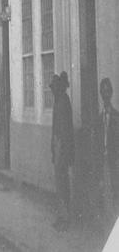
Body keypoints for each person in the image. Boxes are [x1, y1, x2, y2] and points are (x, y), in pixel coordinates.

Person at [51, 72, 74, 231]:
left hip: (62, 146)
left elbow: (66, 130)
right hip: (58, 144)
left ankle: (65, 218)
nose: (53, 90)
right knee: (59, 182)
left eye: (55, 87)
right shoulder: (58, 101)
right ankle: (62, 215)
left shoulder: (64, 102)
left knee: (62, 182)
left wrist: (64, 151)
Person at [95, 77, 119, 232]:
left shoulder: (116, 116)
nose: (105, 95)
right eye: (102, 92)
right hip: (102, 160)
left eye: (107, 91)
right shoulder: (99, 117)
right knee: (103, 192)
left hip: (113, 161)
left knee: (115, 191)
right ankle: (107, 229)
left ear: (111, 94)